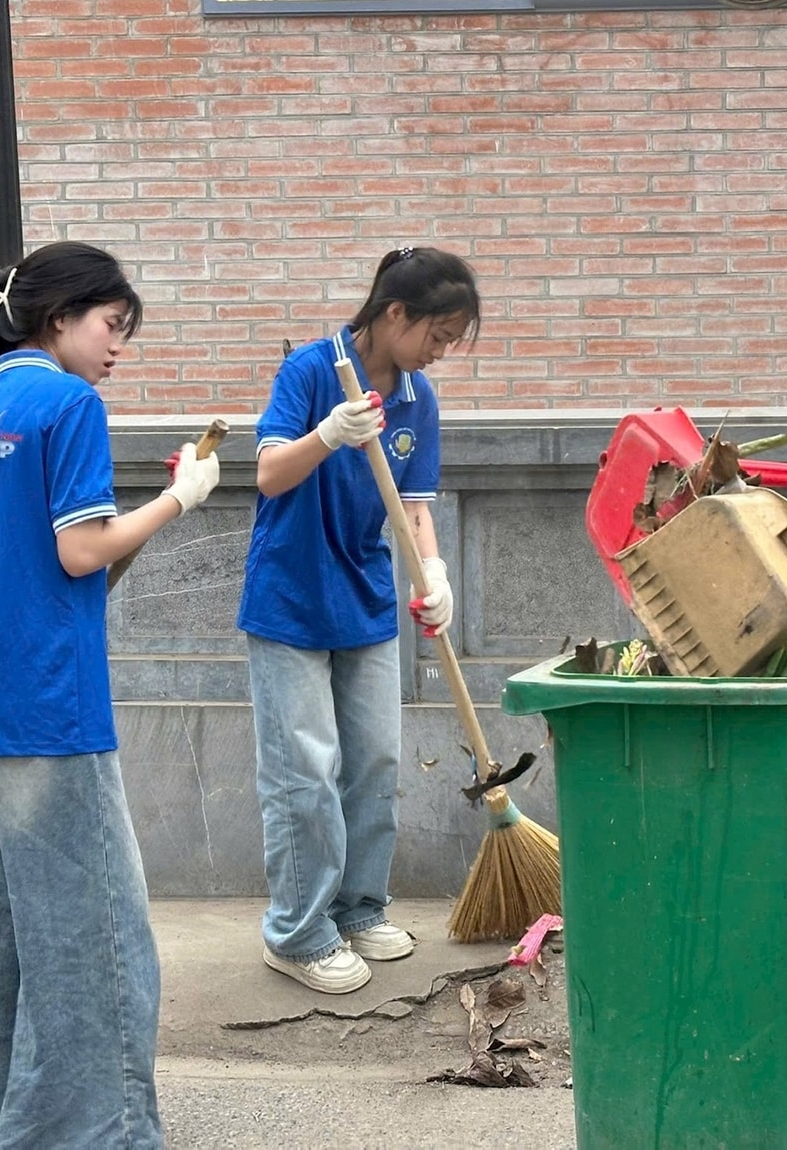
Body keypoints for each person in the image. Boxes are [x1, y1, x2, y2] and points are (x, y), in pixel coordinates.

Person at [0, 240, 220, 1148]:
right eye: (110, 326)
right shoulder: (71, 403)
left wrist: (16, 592)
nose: (118, 347)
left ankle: (15, 1126)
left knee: (16, 949)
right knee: (97, 948)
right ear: (58, 319)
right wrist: (181, 499)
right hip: (52, 707)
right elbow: (83, 550)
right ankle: (96, 1135)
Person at [239, 246, 480, 994]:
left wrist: (434, 574)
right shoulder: (315, 372)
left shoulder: (418, 402)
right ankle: (298, 932)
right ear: (394, 313)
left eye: (451, 342)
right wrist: (329, 433)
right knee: (305, 773)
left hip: (367, 599)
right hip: (290, 599)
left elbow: (415, 507)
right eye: (435, 335)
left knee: (374, 761)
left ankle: (356, 909)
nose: (439, 353)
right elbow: (268, 472)